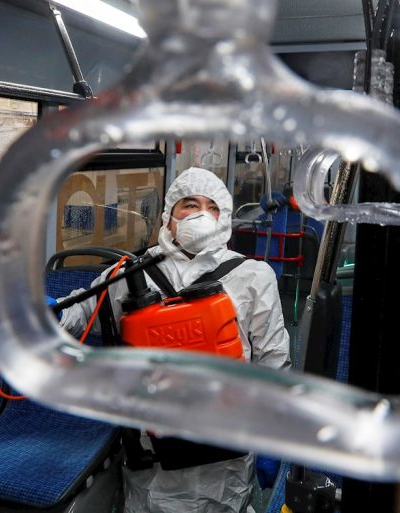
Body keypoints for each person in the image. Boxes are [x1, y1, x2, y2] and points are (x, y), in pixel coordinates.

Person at [56, 167, 290, 513]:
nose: (201, 215)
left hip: (222, 439)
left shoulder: (253, 276)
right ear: (168, 216)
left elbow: (274, 358)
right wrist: (51, 314)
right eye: (189, 205)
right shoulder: (129, 271)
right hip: (152, 440)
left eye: (212, 207)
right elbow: (82, 311)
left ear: (224, 217)